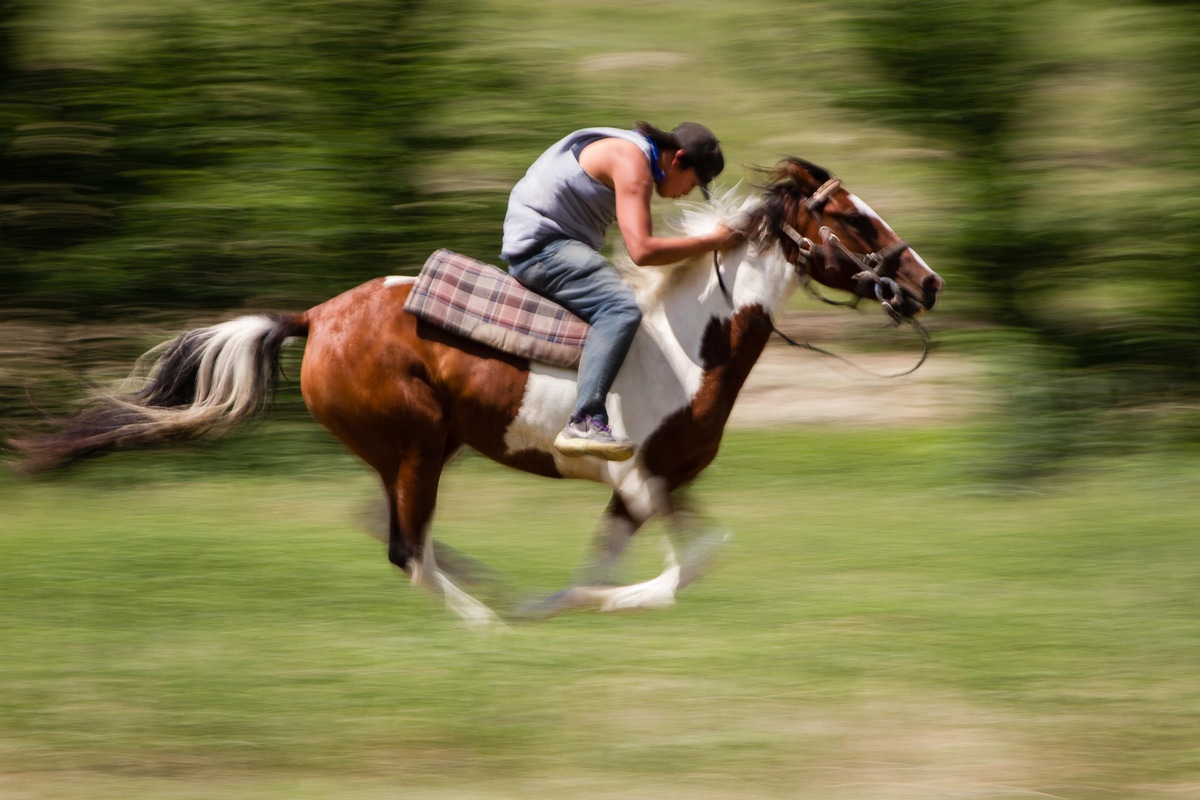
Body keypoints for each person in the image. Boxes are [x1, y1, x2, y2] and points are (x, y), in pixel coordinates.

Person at [501, 121, 742, 461]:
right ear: (678, 160)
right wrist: (714, 241)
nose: (689, 191)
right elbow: (642, 251)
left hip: (544, 241)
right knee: (621, 308)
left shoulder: (631, 151)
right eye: (694, 181)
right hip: (542, 249)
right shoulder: (634, 165)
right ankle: (584, 422)